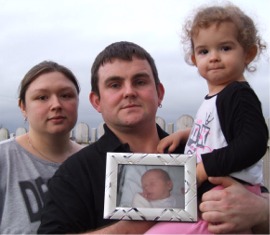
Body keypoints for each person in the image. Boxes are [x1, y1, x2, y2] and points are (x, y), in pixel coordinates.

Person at [38, 41, 269, 234]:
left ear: (159, 93)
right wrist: (130, 228)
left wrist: (261, 212)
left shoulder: (200, 150)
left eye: (140, 81)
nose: (129, 92)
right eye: (115, 84)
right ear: (96, 101)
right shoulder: (76, 174)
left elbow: (255, 194)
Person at [147, 3, 269, 234]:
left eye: (225, 48)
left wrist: (204, 169)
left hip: (226, 198)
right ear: (194, 58)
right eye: (204, 51)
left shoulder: (238, 95)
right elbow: (219, 133)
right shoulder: (217, 96)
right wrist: (187, 134)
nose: (213, 58)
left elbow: (253, 143)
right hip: (211, 200)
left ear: (249, 53)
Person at [0, 61, 83, 234]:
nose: (56, 105)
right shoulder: (4, 159)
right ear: (23, 107)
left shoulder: (93, 163)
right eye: (42, 97)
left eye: (66, 95)